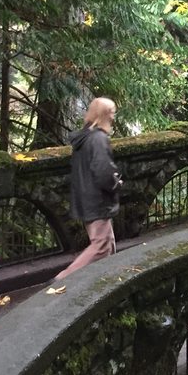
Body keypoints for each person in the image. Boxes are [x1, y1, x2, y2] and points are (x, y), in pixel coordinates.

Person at [55, 98, 123, 280]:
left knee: (107, 242)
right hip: (97, 200)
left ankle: (110, 279)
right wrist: (116, 183)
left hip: (86, 198)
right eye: (112, 112)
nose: (113, 117)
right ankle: (62, 279)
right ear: (104, 115)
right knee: (101, 245)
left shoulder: (85, 138)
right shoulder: (98, 139)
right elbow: (103, 171)